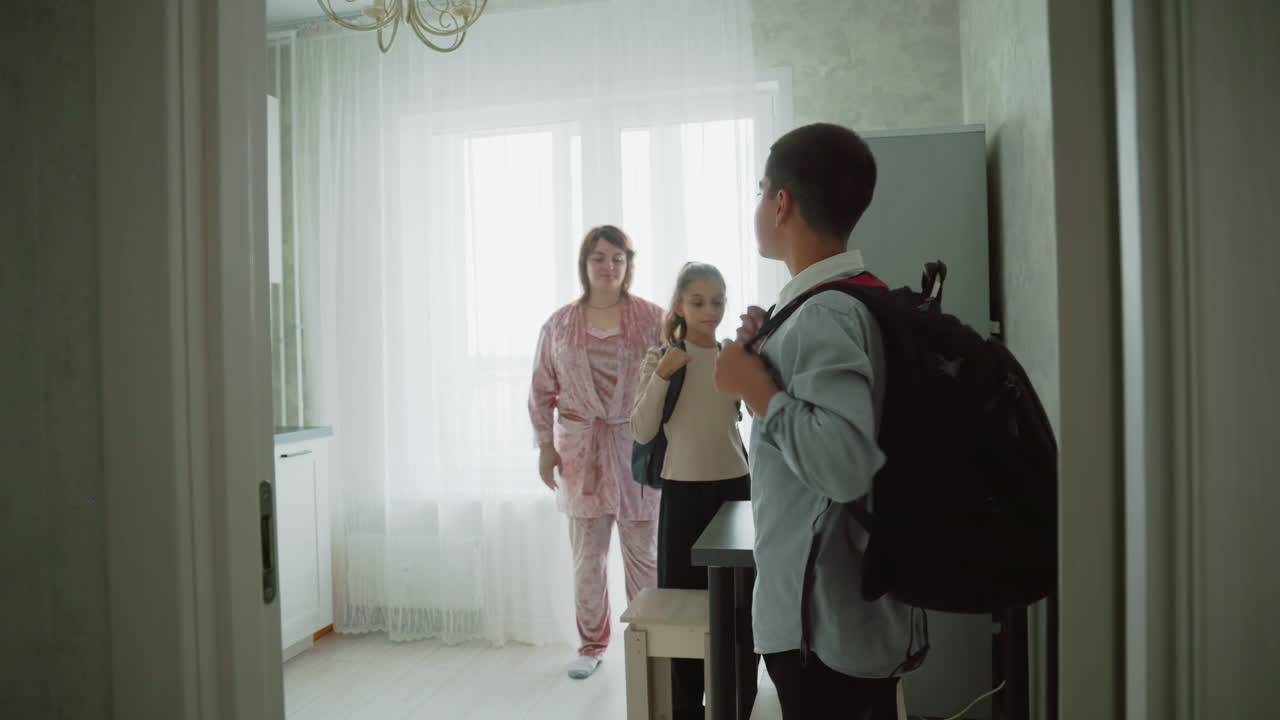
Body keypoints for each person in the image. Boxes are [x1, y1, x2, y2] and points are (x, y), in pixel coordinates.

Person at [713, 123, 922, 718]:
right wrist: (767, 360)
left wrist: (756, 391)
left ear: (782, 204)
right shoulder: (860, 295)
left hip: (822, 625)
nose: (759, 204)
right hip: (850, 609)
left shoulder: (825, 313)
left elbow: (844, 465)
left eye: (761, 191)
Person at [528, 225, 665, 680]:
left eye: (617, 259)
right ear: (584, 265)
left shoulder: (651, 319)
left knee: (643, 552)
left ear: (628, 265)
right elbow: (541, 390)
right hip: (579, 452)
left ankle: (651, 643)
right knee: (588, 557)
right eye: (598, 258)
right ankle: (591, 645)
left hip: (636, 449)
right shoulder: (560, 324)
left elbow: (674, 381)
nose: (608, 267)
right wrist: (546, 447)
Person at [630, 262, 750, 720]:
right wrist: (663, 373)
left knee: (739, 606)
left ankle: (739, 699)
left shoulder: (733, 356)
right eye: (698, 301)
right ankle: (686, 708)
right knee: (683, 605)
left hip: (736, 490)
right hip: (682, 494)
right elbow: (641, 432)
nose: (710, 310)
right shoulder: (660, 357)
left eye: (717, 301)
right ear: (679, 304)